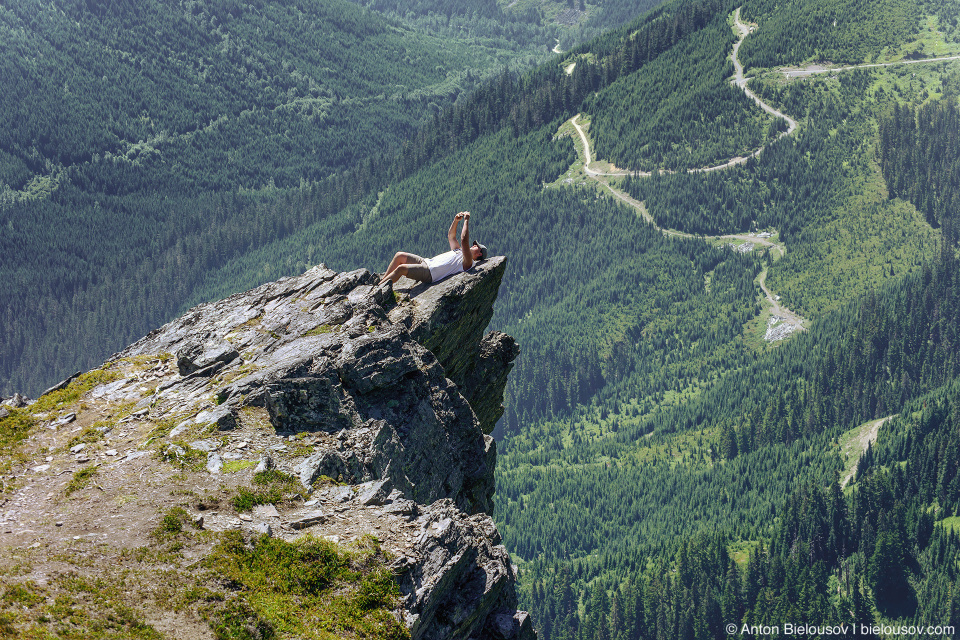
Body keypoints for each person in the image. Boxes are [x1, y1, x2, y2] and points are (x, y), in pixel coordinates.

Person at [379, 211, 488, 285]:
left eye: (477, 246)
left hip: (430, 273)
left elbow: (464, 239)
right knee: (399, 256)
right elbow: (451, 236)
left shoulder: (468, 262)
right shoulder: (459, 251)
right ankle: (382, 283)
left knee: (401, 269)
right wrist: (456, 221)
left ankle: (379, 289)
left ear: (479, 254)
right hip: (426, 262)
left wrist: (466, 221)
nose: (474, 245)